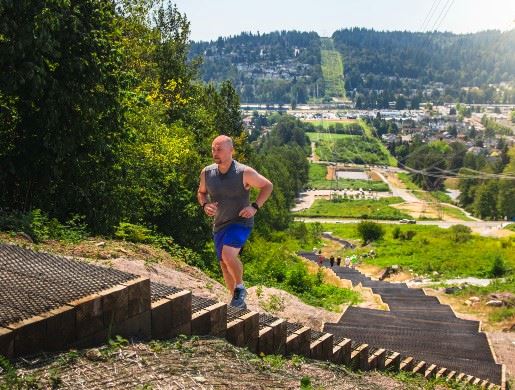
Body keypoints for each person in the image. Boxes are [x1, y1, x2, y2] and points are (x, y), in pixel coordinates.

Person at [198, 135, 273, 309]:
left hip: (241, 221)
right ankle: (236, 302)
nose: (215, 153)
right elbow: (201, 193)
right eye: (213, 149)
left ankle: (240, 287)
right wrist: (205, 205)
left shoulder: (243, 172)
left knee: (228, 255)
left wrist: (254, 207)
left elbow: (267, 186)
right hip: (220, 224)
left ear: (231, 151)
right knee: (224, 265)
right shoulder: (207, 173)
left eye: (220, 150)